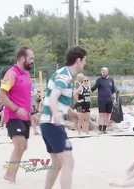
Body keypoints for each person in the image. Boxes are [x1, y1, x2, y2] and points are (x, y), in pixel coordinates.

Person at [39, 46, 87, 189]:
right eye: (84, 60)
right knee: (68, 161)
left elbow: (57, 99)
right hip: (52, 123)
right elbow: (53, 96)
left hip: (47, 123)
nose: (84, 64)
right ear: (78, 60)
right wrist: (56, 114)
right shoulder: (65, 76)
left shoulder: (63, 74)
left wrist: (70, 112)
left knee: (57, 163)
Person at [0, 46, 39, 183]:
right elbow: (1, 96)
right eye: (31, 58)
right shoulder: (11, 74)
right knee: (20, 145)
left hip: (25, 116)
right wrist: (16, 109)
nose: (33, 60)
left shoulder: (26, 74)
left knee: (23, 147)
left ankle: (8, 174)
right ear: (22, 58)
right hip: (13, 115)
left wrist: (32, 113)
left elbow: (27, 97)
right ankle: (11, 178)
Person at [91, 67, 116, 134]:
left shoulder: (111, 80)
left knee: (107, 114)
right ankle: (100, 128)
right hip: (101, 99)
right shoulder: (99, 80)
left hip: (109, 100)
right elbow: (93, 88)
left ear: (107, 72)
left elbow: (113, 90)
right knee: (102, 114)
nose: (103, 73)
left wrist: (115, 99)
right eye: (102, 72)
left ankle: (104, 129)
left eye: (104, 71)